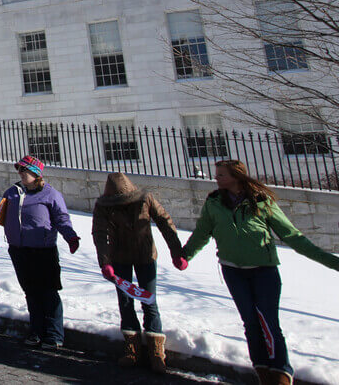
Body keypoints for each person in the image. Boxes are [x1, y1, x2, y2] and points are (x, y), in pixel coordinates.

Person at [183, 160, 339, 385]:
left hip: (263, 270)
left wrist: (330, 261)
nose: (216, 178)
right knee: (250, 322)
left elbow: (292, 235)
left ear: (236, 176)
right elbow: (202, 233)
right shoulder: (214, 202)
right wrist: (185, 256)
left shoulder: (261, 201)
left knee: (268, 321)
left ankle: (281, 371)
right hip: (233, 270)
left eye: (221, 175)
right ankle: (263, 370)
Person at [91, 171, 185, 371]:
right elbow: (99, 234)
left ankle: (156, 351)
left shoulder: (145, 199)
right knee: (125, 302)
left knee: (149, 300)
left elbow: (165, 222)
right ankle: (131, 348)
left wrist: (177, 252)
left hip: (145, 256)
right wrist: (105, 262)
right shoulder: (103, 205)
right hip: (119, 258)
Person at [0, 155, 80, 349]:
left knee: (49, 292)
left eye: (25, 170)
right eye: (19, 170)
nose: (21, 174)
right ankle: (36, 331)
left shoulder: (50, 194)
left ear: (36, 173)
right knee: (31, 293)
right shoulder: (13, 192)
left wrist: (71, 237)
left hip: (43, 250)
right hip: (19, 250)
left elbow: (61, 219)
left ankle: (54, 334)